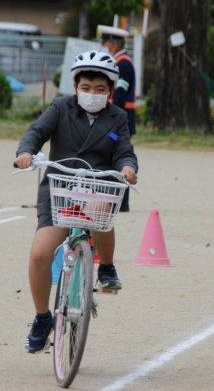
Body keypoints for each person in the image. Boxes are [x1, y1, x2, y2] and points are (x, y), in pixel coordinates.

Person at [14, 50, 138, 354]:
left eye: (99, 89)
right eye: (86, 88)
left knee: (100, 215)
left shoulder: (117, 117)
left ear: (110, 90)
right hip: (61, 189)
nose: (92, 94)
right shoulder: (60, 108)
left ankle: (106, 267)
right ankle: (43, 318)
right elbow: (36, 132)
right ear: (76, 86)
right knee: (40, 254)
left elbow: (124, 150)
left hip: (97, 187)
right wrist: (26, 152)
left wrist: (128, 168)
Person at [97, 24, 136, 212]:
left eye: (105, 43)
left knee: (119, 153)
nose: (104, 47)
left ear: (113, 44)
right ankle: (116, 198)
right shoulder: (118, 61)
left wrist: (111, 116)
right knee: (113, 153)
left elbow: (119, 94)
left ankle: (122, 201)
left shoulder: (123, 64)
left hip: (121, 120)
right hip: (118, 118)